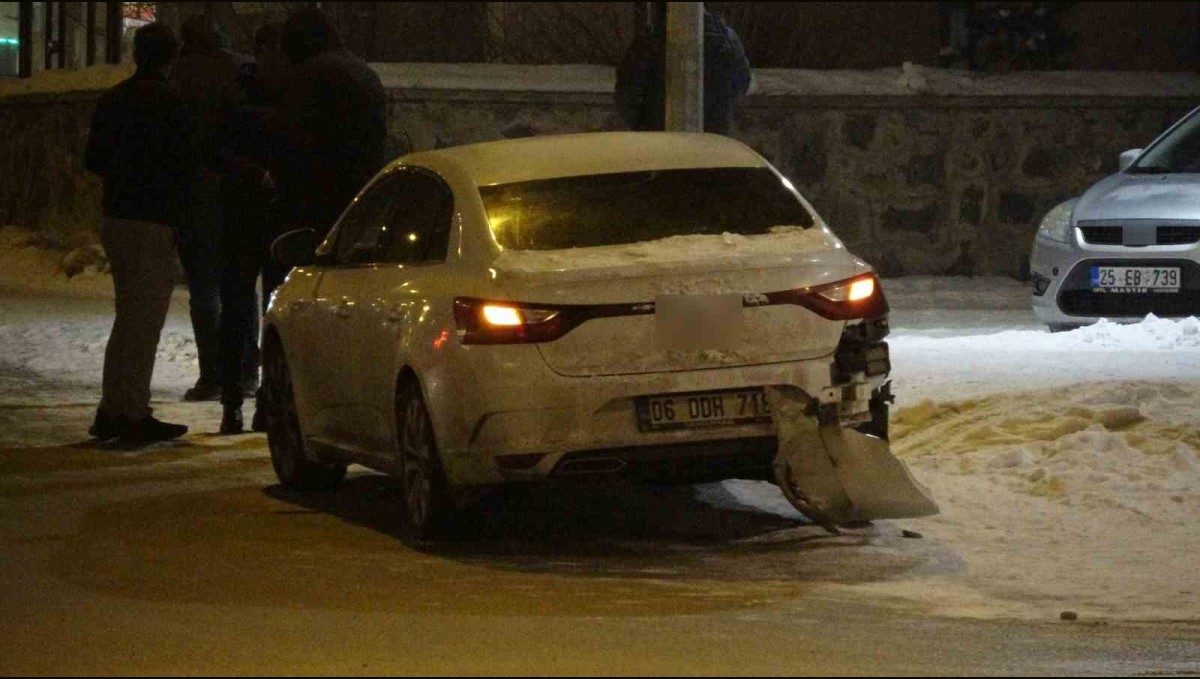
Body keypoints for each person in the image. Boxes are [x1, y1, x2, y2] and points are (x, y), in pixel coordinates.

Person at [85, 23, 194, 443]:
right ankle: (130, 411)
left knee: (127, 317)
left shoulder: (114, 99)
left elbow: (94, 159)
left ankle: (114, 406)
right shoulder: (170, 104)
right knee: (144, 320)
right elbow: (185, 166)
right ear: (170, 59)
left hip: (117, 216)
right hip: (153, 219)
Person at [171, 14, 254, 403]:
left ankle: (213, 373)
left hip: (193, 191)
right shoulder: (242, 70)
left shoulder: (179, 77)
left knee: (204, 288)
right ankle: (245, 369)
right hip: (239, 189)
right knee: (239, 286)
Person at [216, 22, 290, 434]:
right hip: (247, 215)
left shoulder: (264, 95)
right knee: (240, 310)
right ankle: (236, 400)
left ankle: (262, 400)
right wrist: (257, 174)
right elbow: (215, 151)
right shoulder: (245, 97)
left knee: (267, 311)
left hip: (264, 216)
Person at [273, 7, 388, 243]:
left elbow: (295, 137)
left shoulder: (313, 74)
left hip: (320, 194)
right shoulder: (361, 70)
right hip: (361, 188)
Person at [615, 7, 752, 136]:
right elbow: (740, 86)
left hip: (659, 141)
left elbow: (627, 96)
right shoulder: (726, 39)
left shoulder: (648, 41)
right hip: (714, 140)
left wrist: (643, 127)